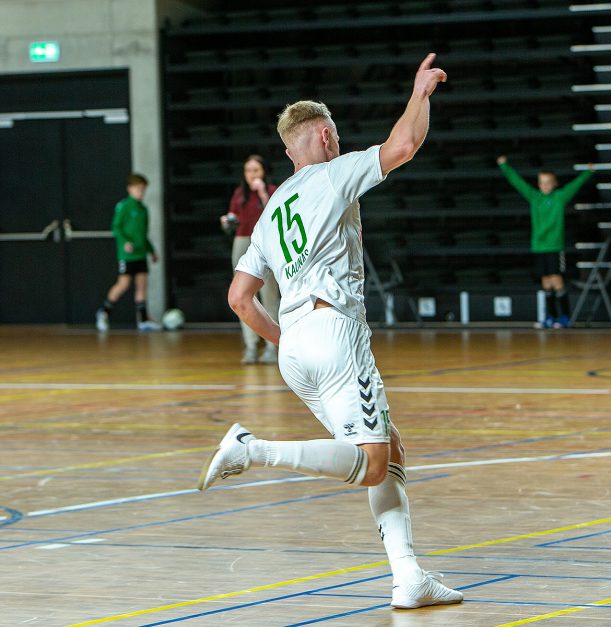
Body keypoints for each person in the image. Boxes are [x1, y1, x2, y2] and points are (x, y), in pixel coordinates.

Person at [197, 54, 463, 610]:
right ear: (325, 135)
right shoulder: (332, 174)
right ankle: (254, 449)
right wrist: (420, 94)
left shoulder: (269, 213)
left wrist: (286, 339)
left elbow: (239, 300)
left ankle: (408, 576)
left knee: (387, 448)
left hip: (295, 347)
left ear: (290, 150)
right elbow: (403, 146)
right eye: (334, 136)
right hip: (334, 332)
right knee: (370, 460)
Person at [496, 155, 594, 328]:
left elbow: (575, 185)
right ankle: (550, 317)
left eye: (548, 182)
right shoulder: (534, 197)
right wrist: (505, 167)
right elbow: (517, 182)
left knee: (557, 281)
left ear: (554, 183)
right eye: (542, 182)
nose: (545, 185)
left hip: (554, 246)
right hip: (539, 247)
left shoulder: (559, 197)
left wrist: (588, 172)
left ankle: (564, 317)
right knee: (546, 282)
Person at [221, 155, 281, 364]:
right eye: (248, 170)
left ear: (264, 171)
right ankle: (250, 346)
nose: (252, 175)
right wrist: (227, 220)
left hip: (265, 242)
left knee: (269, 295)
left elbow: (275, 214)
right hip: (242, 241)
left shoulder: (272, 191)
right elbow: (233, 216)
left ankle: (273, 347)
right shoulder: (239, 194)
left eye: (256, 170)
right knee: (243, 295)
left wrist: (263, 193)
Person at [96, 173, 161, 332]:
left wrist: (151, 251)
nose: (141, 192)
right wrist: (125, 243)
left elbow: (143, 235)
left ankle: (143, 319)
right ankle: (104, 312)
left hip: (140, 254)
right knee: (123, 284)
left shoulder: (143, 209)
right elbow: (116, 228)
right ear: (130, 189)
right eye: (138, 189)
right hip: (127, 255)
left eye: (143, 189)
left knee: (142, 286)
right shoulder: (124, 206)